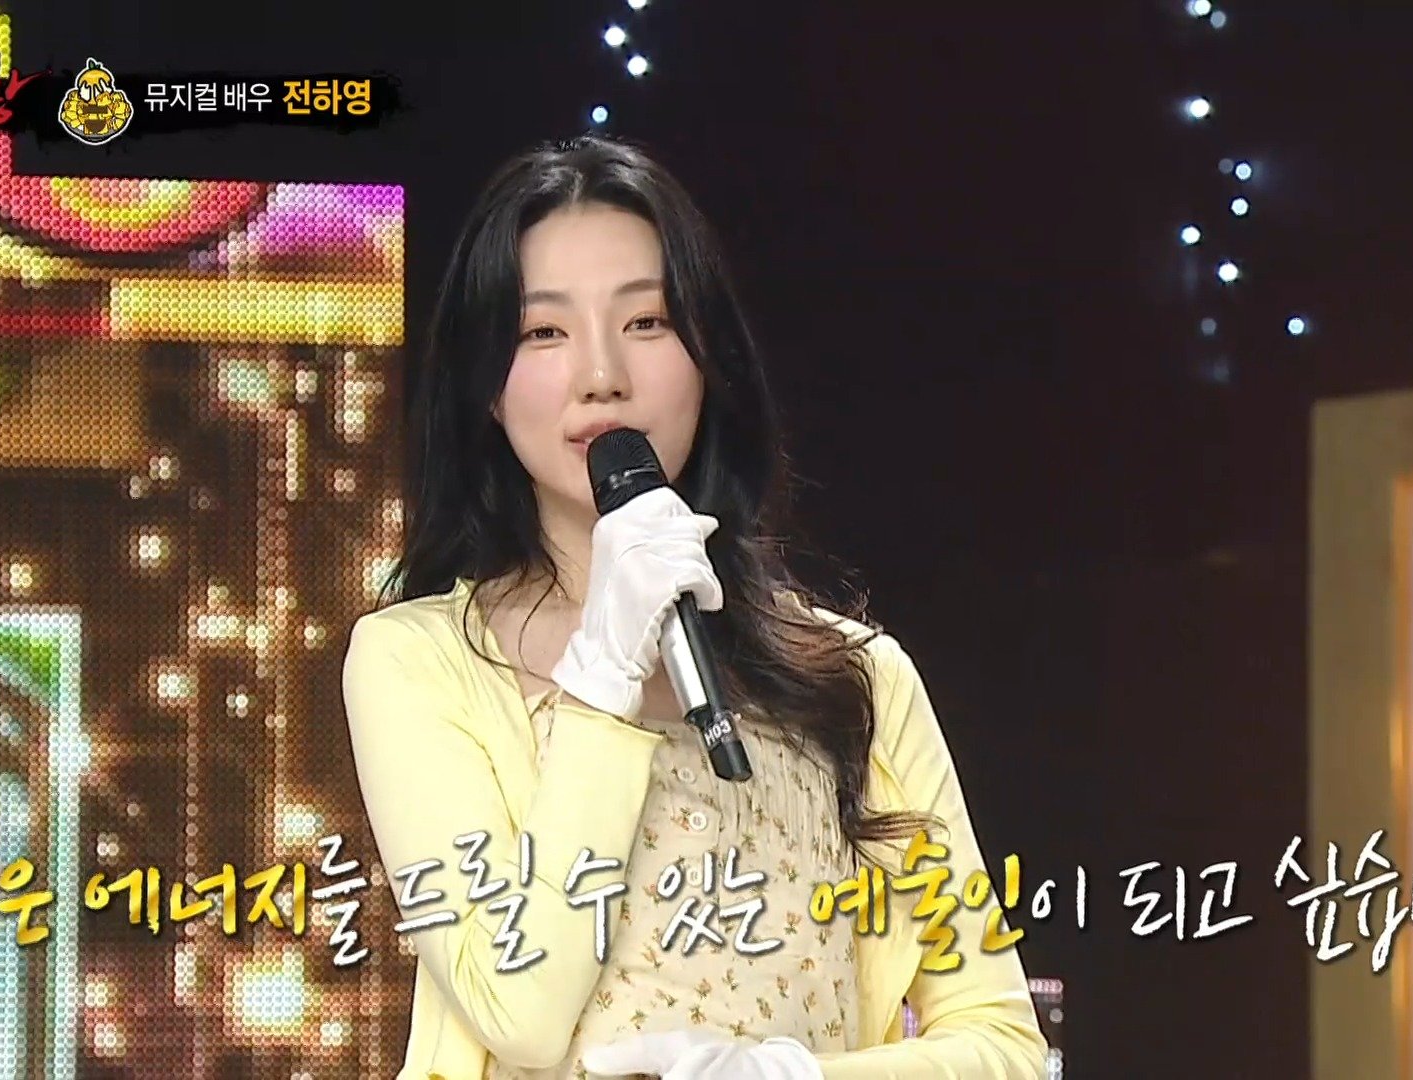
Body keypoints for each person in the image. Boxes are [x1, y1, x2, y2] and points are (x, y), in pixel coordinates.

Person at [342, 133, 1047, 1080]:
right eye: (543, 332)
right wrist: (603, 672)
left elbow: (1003, 1047)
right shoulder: (417, 662)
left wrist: (782, 1078)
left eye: (647, 321)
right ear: (487, 389)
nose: (601, 374)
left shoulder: (857, 678)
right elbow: (519, 1013)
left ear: (708, 359)